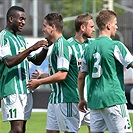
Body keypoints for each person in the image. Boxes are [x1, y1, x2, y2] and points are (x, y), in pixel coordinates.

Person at [78, 9, 133, 133]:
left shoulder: (88, 48)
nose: (116, 27)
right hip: (114, 100)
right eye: (115, 23)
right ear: (108, 25)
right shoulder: (116, 46)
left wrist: (82, 99)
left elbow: (81, 76)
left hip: (95, 102)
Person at [26, 13, 79, 133]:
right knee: (51, 131)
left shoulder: (62, 45)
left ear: (53, 27)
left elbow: (62, 74)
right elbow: (59, 72)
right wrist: (42, 75)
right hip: (55, 98)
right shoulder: (55, 46)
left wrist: (39, 82)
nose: (43, 29)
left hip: (67, 98)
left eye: (45, 26)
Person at [0, 6, 50, 133]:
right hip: (12, 89)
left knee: (22, 130)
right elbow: (8, 62)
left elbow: (37, 60)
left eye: (25, 19)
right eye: (21, 19)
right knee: (16, 130)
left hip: (25, 90)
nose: (23, 22)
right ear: (11, 19)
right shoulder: (3, 37)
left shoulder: (21, 40)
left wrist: (45, 47)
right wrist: (32, 48)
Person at [67, 13, 95, 133]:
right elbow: (62, 72)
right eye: (92, 27)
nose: (94, 30)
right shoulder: (68, 46)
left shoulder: (94, 44)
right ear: (83, 27)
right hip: (74, 98)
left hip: (93, 98)